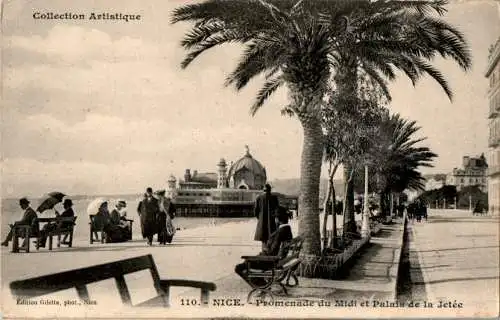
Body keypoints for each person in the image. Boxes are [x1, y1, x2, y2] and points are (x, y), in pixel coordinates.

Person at [235, 209, 293, 286]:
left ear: (278, 219)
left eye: (275, 218)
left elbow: (272, 251)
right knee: (247, 263)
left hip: (270, 262)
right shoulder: (287, 229)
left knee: (239, 267)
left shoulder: (280, 232)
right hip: (277, 260)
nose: (275, 220)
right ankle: (261, 282)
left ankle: (261, 286)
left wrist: (260, 255)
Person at [254, 183, 279, 251]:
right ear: (270, 190)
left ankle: (264, 251)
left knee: (263, 237)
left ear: (263, 190)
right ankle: (270, 251)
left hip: (262, 221)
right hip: (271, 221)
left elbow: (256, 211)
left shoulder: (258, 198)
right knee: (271, 235)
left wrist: (260, 218)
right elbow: (277, 209)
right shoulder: (274, 197)